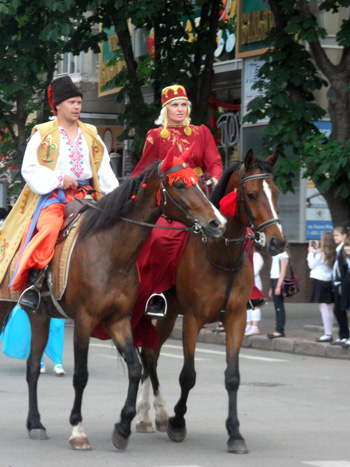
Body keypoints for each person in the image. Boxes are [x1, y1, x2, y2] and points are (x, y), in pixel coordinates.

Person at [132, 84, 265, 328]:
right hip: (172, 199)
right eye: (174, 105)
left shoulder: (201, 132)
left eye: (183, 104)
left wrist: (214, 176)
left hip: (201, 194)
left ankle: (246, 292)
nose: (180, 109)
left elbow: (214, 162)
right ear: (165, 109)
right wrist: (136, 194)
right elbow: (144, 169)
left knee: (242, 232)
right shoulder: (155, 136)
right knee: (161, 238)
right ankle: (159, 293)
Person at [0, 75, 119, 312]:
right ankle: (34, 283)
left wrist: (115, 198)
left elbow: (104, 169)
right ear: (58, 106)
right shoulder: (43, 134)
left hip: (89, 196)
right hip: (55, 197)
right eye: (72, 102)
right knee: (50, 228)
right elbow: (29, 169)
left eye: (79, 102)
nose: (77, 107)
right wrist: (58, 178)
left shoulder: (91, 134)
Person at [0, 306, 66, 375]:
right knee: (39, 328)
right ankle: (40, 361)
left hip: (55, 300)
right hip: (40, 300)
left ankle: (58, 362)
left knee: (57, 327)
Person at [307, 232, 336, 342]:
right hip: (328, 281)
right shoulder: (332, 253)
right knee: (328, 308)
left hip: (319, 281)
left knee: (324, 308)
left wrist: (310, 253)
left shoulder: (321, 254)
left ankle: (327, 334)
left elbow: (311, 265)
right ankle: (328, 332)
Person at [331, 226, 349, 345]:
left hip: (343, 283)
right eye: (334, 235)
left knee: (340, 310)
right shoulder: (339, 249)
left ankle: (345, 335)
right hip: (339, 283)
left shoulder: (344, 249)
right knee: (339, 310)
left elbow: (343, 269)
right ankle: (343, 335)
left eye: (337, 235)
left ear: (344, 236)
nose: (334, 238)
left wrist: (341, 283)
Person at [267, 250, 288, 339]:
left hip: (278, 280)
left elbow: (283, 271)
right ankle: (278, 329)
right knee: (277, 306)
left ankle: (280, 330)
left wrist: (278, 286)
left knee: (279, 306)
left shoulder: (283, 254)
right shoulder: (276, 253)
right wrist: (272, 287)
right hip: (274, 280)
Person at [245, 245, 264, 336]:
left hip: (255, 284)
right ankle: (248, 325)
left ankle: (255, 327)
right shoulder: (250, 257)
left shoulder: (257, 257)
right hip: (248, 284)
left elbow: (254, 272)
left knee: (254, 306)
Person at [338, 236, 350, 348]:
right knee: (348, 312)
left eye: (349, 246)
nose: (347, 248)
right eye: (346, 246)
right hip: (347, 286)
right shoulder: (345, 258)